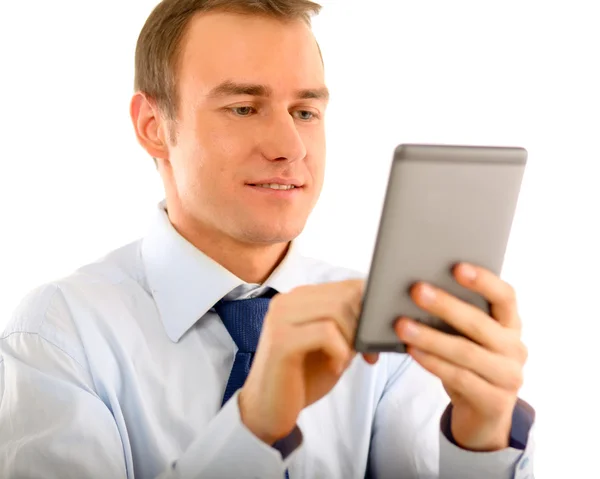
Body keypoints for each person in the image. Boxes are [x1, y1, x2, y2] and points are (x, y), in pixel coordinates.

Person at [0, 1, 535, 478]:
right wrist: (252, 427)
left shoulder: (390, 332)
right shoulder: (58, 335)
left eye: (305, 111)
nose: (289, 146)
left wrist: (480, 442)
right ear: (153, 125)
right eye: (243, 107)